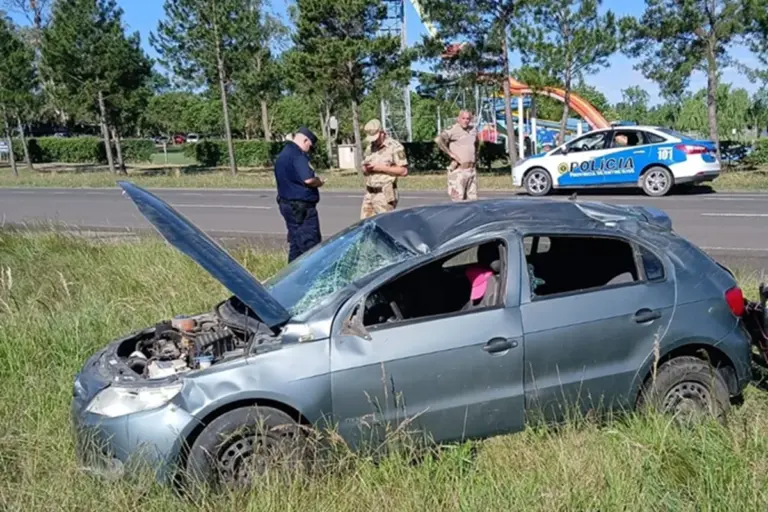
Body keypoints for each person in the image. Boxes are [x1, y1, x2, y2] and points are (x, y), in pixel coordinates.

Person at [274, 126, 325, 262]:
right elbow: (308, 179)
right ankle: (312, 277)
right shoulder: (298, 155)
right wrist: (319, 182)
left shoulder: (283, 154)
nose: (310, 149)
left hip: (287, 205)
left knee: (296, 245)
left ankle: (290, 278)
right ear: (305, 140)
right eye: (310, 145)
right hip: (301, 209)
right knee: (310, 246)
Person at [360, 119, 409, 219]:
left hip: (384, 194)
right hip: (369, 193)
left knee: (385, 225)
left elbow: (404, 171)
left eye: (375, 138)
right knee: (365, 227)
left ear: (382, 133)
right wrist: (365, 169)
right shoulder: (370, 147)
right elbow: (365, 164)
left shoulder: (395, 147)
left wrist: (381, 168)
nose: (374, 141)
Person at [435, 110, 479, 201]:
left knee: (473, 202)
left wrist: (476, 155)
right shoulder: (453, 129)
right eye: (463, 118)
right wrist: (450, 154)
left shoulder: (473, 130)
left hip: (471, 170)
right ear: (458, 119)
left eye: (468, 118)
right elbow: (438, 140)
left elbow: (477, 142)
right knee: (458, 201)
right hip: (459, 170)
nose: (465, 121)